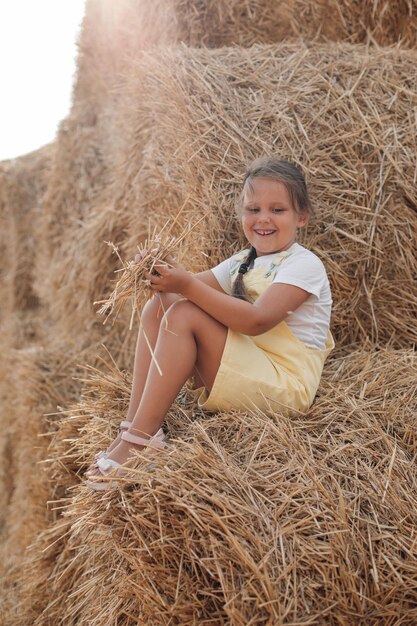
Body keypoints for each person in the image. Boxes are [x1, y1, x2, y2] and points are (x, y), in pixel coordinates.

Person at [86, 157, 334, 490]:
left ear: (301, 217)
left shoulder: (304, 265)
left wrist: (185, 284)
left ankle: (141, 442)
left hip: (283, 385)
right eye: (253, 209)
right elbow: (179, 291)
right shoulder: (244, 261)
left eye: (278, 210)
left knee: (184, 314)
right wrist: (159, 274)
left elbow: (257, 321)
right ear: (241, 214)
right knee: (158, 309)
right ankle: (134, 427)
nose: (263, 218)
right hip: (251, 364)